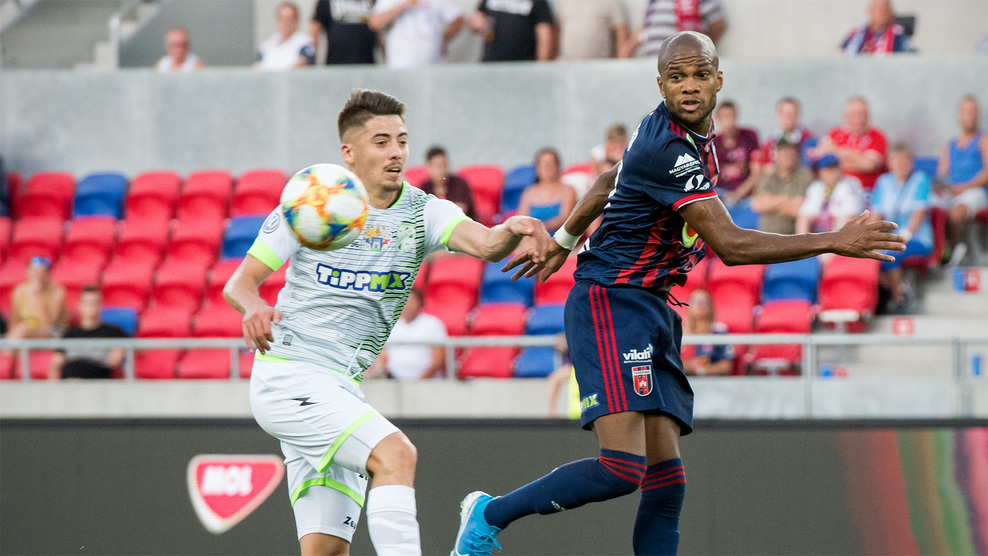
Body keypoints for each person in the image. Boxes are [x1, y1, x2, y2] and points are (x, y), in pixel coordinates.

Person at [452, 31, 904, 556]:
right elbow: (731, 246)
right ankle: (488, 515)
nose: (689, 86)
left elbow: (605, 182)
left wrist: (562, 241)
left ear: (718, 79)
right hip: (612, 303)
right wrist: (833, 240)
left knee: (668, 482)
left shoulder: (684, 135)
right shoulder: (667, 147)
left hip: (652, 307)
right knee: (622, 469)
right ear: (661, 84)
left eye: (699, 74)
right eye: (677, 76)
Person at [224, 89, 551, 556]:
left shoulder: (422, 211)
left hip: (342, 388)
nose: (396, 152)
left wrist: (514, 227)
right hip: (290, 375)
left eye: (401, 140)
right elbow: (240, 283)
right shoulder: (313, 202)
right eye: (381, 142)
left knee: (326, 550)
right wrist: (254, 306)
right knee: (396, 453)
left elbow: (485, 243)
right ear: (349, 152)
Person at [870, 143, 933, 312]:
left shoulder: (920, 179)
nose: (900, 163)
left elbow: (919, 212)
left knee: (889, 255)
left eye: (904, 159)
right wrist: (865, 237)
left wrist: (905, 234)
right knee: (865, 259)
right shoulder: (883, 182)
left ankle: (899, 298)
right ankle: (901, 288)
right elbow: (876, 215)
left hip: (916, 238)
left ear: (911, 162)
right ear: (889, 162)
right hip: (890, 238)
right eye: (896, 159)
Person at [937, 95, 988, 266]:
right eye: (967, 112)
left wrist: (964, 187)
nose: (971, 116)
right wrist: (944, 187)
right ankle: (936, 254)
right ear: (959, 115)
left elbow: (987, 172)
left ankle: (950, 252)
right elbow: (942, 174)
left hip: (975, 192)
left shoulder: (984, 140)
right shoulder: (950, 144)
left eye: (974, 111)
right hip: (953, 192)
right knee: (931, 209)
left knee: (956, 213)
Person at [48, 286, 128, 380]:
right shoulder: (69, 334)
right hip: (70, 382)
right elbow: (56, 365)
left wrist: (122, 349)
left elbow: (137, 346)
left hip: (97, 380)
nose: (92, 305)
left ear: (102, 304)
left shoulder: (113, 332)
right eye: (88, 302)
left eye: (95, 302)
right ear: (80, 305)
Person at [813, 96, 888, 191]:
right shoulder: (835, 133)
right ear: (846, 115)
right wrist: (854, 155)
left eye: (862, 113)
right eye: (855, 113)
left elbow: (869, 165)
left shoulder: (877, 136)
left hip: (866, 191)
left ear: (868, 115)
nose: (859, 118)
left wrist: (836, 157)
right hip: (835, 188)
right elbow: (820, 154)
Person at [370, 0, 463, 69]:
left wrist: (441, 41)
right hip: (400, 64)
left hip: (432, 65)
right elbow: (375, 22)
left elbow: (458, 20)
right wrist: (404, 5)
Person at [751, 139, 814, 235]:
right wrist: (785, 199)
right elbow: (757, 205)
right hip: (767, 235)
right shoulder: (769, 176)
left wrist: (771, 204)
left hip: (793, 235)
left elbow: (801, 209)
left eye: (790, 153)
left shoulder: (804, 175)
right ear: (776, 155)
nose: (787, 156)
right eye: (784, 153)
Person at [383, 288, 447, 380]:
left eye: (410, 302)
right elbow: (383, 357)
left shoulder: (433, 324)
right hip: (394, 382)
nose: (407, 306)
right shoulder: (393, 327)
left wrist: (418, 383)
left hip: (426, 383)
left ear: (420, 303)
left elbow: (437, 361)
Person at [796, 154, 866, 234]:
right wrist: (804, 239)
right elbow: (805, 216)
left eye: (833, 169)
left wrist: (833, 241)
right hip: (825, 235)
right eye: (827, 170)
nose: (830, 173)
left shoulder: (850, 184)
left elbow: (847, 219)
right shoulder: (817, 186)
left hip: (848, 236)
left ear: (839, 169)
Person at [631, 0, 727, 58]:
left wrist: (699, 50)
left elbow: (717, 24)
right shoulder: (654, 1)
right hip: (653, 61)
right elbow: (646, 27)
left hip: (681, 62)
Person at [470, 0, 554, 63]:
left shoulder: (538, 2)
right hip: (491, 64)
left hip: (523, 66)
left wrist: (542, 66)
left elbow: (545, 35)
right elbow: (474, 24)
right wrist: (476, 23)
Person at [712, 101, 761, 206]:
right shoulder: (713, 143)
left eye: (732, 116)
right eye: (725, 117)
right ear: (718, 119)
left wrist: (738, 194)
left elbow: (757, 172)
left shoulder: (749, 136)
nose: (729, 121)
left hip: (745, 194)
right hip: (721, 194)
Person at [6, 256, 67, 341]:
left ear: (49, 274)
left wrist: (35, 297)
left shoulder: (57, 292)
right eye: (35, 272)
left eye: (42, 272)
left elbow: (49, 325)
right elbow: (14, 322)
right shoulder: (20, 291)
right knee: (20, 329)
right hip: (24, 334)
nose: (38, 276)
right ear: (28, 272)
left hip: (53, 334)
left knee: (22, 330)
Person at [518, 148, 577, 234]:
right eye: (544, 164)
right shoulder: (528, 192)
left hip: (558, 238)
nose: (547, 167)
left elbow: (566, 218)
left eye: (551, 164)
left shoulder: (568, 190)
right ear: (537, 167)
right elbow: (521, 219)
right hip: (533, 237)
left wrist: (542, 227)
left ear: (557, 166)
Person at [554, 0, 631, 60]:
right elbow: (557, 30)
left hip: (600, 66)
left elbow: (621, 30)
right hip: (568, 64)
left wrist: (621, 62)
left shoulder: (611, 2)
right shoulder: (564, 2)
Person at [680, 290, 733, 376]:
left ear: (710, 306)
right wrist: (688, 366)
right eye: (694, 301)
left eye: (704, 301)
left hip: (711, 381)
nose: (699, 305)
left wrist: (701, 370)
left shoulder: (719, 331)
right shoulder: (680, 332)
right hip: (684, 379)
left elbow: (726, 366)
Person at [754, 97, 816, 170]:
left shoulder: (808, 139)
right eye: (785, 113)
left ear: (798, 116)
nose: (789, 117)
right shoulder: (769, 143)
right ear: (779, 115)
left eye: (792, 113)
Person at [310, 0, 377, 65]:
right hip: (336, 64)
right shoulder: (327, 1)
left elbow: (378, 33)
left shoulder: (372, 2)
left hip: (367, 64)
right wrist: (312, 63)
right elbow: (315, 32)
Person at [418, 146, 476, 220]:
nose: (442, 169)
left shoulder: (460, 184)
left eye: (444, 164)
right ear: (428, 167)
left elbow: (458, 213)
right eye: (437, 166)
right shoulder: (424, 187)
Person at [255, 2, 316, 71]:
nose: (285, 23)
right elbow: (257, 66)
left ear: (296, 21)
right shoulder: (267, 45)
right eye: (282, 19)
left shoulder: (304, 43)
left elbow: (303, 64)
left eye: (289, 19)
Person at [840, 0, 912, 56]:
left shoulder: (898, 34)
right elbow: (841, 53)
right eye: (878, 8)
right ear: (870, 10)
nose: (881, 12)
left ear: (890, 12)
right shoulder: (857, 33)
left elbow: (904, 57)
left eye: (885, 8)